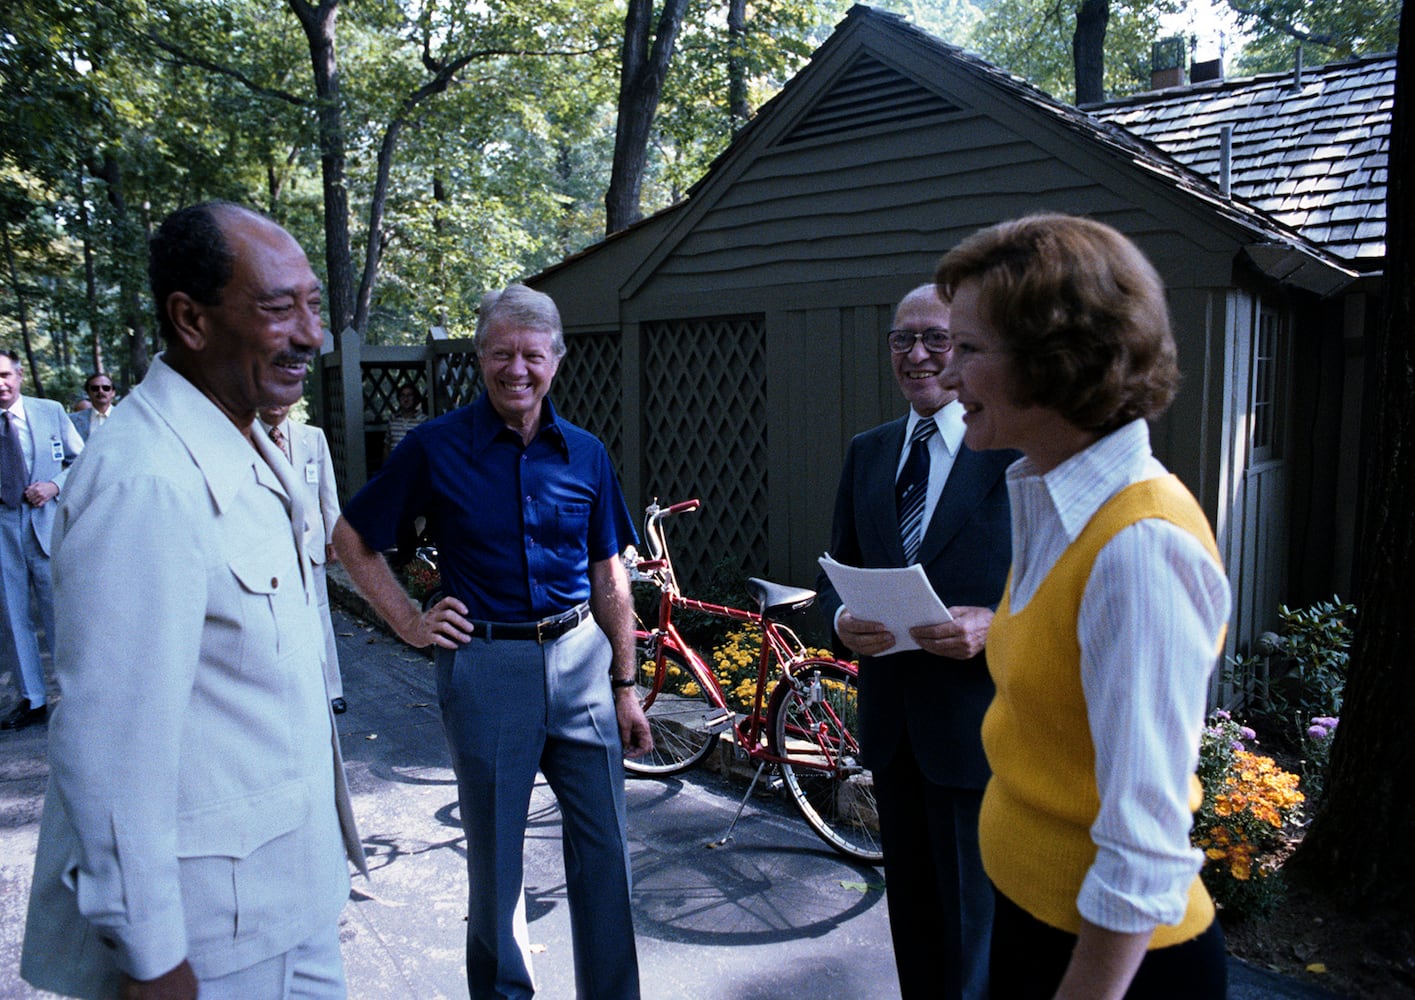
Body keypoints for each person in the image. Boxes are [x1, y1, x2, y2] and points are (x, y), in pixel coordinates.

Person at [21, 201, 366, 999]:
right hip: (215, 942)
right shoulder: (146, 478)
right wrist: (152, 955)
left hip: (292, 900)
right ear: (191, 320)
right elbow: (109, 747)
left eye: (312, 303)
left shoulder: (241, 434)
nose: (309, 333)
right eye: (279, 308)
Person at [935, 213, 1231, 999]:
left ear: (1054, 363)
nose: (945, 377)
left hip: (1110, 966)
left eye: (966, 349)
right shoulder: (1047, 501)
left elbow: (1146, 843)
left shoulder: (1139, 547)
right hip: (1033, 925)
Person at [333, 283, 651, 1000]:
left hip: (580, 667)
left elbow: (609, 576)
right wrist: (409, 622)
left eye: (531, 355)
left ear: (556, 361)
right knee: (498, 863)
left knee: (605, 856)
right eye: (501, 353)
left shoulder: (587, 455)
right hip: (487, 668)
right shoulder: (434, 448)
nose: (517, 369)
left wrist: (626, 686)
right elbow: (353, 539)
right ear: (479, 358)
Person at [816, 285, 1014, 1000]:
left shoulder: (1016, 454)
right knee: (915, 930)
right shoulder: (867, 453)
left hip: (978, 729)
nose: (918, 355)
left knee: (977, 940)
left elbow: (1063, 591)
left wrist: (997, 625)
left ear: (965, 349)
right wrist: (840, 622)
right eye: (903, 339)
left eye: (937, 339)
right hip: (894, 731)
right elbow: (836, 573)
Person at [0, 350, 84, 732]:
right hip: (3, 526)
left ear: (19, 376)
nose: (0, 384)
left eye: (5, 375)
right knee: (13, 616)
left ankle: (75, 694)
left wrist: (54, 486)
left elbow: (82, 460)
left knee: (59, 612)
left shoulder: (49, 411)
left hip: (46, 525)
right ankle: (32, 699)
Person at [260, 403, 347, 713]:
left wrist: (332, 537)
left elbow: (327, 492)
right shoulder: (248, 438)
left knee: (320, 615)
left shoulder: (313, 437)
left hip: (310, 544)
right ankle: (288, 692)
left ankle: (331, 689)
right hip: (269, 546)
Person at [69, 372, 118, 440]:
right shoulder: (72, 420)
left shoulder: (126, 418)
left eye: (106, 388)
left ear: (113, 393)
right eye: (95, 388)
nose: (100, 391)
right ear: (88, 392)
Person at [385, 381, 426, 456]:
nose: (406, 399)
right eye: (402, 395)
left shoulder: (423, 420)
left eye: (409, 395)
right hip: (395, 463)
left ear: (415, 398)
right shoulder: (393, 419)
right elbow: (387, 445)